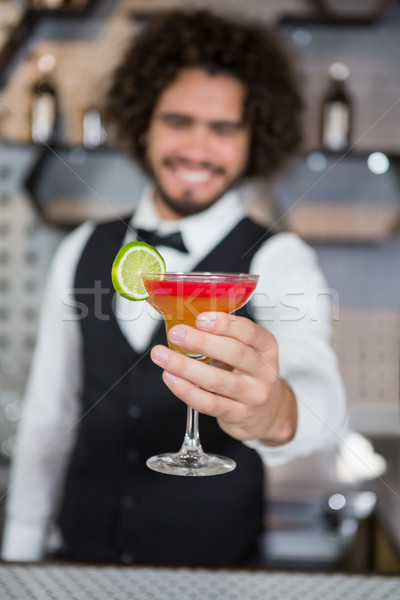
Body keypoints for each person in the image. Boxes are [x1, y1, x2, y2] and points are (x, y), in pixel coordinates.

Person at [1, 9, 346, 566]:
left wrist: (271, 411)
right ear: (143, 124)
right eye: (177, 120)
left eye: (224, 127)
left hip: (210, 570)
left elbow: (320, 390)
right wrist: (20, 550)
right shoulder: (82, 248)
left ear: (253, 137)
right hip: (79, 562)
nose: (198, 149)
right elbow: (50, 414)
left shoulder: (280, 259)